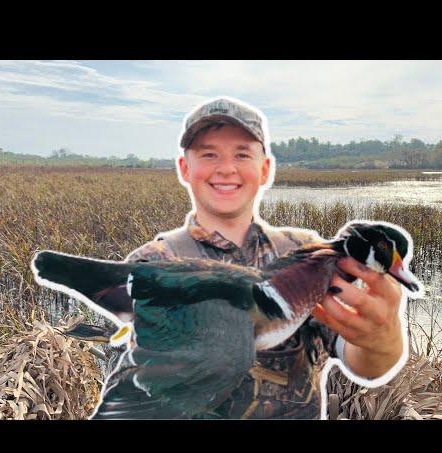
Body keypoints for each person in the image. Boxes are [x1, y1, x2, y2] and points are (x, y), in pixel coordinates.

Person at [119, 97, 405, 419]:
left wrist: (383, 338)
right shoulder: (153, 263)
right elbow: (142, 376)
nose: (226, 168)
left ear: (265, 168)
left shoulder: (309, 252)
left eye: (242, 154)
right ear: (185, 168)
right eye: (209, 154)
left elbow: (363, 363)